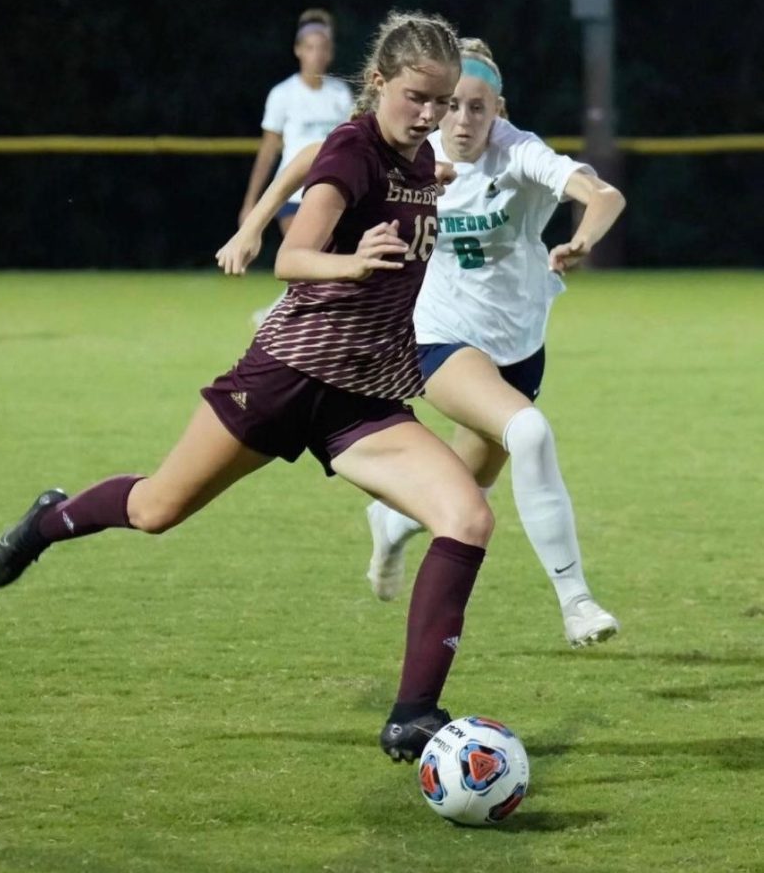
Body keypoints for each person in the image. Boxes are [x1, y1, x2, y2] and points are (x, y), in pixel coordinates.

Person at [0, 11, 494, 765]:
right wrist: (339, 259)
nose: (430, 116)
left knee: (468, 517)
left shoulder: (414, 160)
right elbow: (295, 257)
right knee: (158, 508)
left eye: (443, 102)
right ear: (378, 83)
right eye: (417, 97)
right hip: (284, 379)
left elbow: (310, 157)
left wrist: (258, 216)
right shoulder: (357, 151)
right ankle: (50, 520)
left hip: (361, 398)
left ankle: (413, 715)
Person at [217, 37, 626, 648]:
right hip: (436, 337)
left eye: (477, 108)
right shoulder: (414, 141)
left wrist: (585, 237)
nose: (460, 120)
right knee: (531, 431)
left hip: (516, 347)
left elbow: (603, 194)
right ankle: (577, 602)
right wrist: (251, 227)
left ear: (500, 109)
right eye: (452, 105)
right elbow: (308, 157)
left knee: (468, 487)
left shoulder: (519, 153)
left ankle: (390, 521)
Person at [238, 8, 354, 327]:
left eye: (322, 48)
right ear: (298, 50)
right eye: (310, 47)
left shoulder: (340, 94)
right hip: (293, 192)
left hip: (331, 192)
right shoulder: (283, 94)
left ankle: (277, 317)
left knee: (319, 262)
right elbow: (268, 150)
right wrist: (252, 201)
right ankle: (279, 318)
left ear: (329, 53)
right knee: (310, 257)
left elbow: (350, 146)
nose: (316, 54)